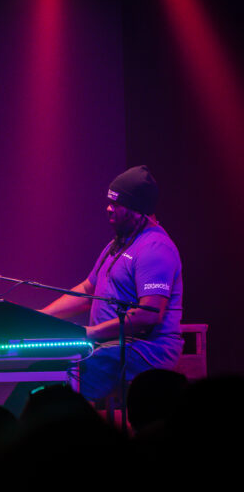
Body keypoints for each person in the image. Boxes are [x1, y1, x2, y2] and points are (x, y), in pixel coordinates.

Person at [40, 165, 183, 401]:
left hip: (145, 349)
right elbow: (88, 290)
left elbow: (149, 314)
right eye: (109, 201)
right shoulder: (120, 243)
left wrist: (91, 333)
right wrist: (42, 316)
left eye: (117, 204)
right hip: (112, 345)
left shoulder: (155, 248)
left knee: (66, 381)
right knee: (50, 364)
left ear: (138, 210)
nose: (108, 208)